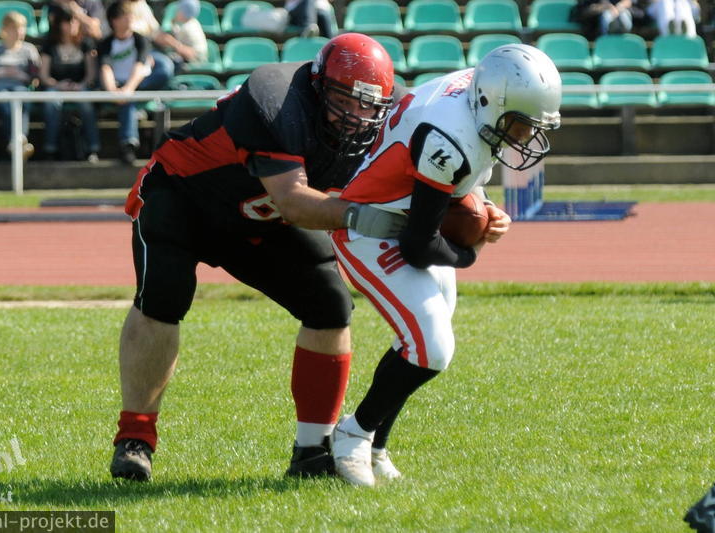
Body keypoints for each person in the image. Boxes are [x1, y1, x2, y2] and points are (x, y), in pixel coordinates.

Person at [109, 33, 407, 482]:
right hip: (185, 196)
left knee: (329, 304)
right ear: (318, 88)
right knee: (162, 301)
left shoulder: (397, 116)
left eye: (367, 106)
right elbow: (295, 202)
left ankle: (312, 451)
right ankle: (135, 439)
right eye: (344, 100)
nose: (354, 116)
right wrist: (376, 219)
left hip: (259, 214)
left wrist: (471, 209)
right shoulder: (276, 99)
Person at [327, 44, 562, 487]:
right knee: (430, 347)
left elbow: (459, 182)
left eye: (535, 125)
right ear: (492, 101)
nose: (527, 135)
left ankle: (375, 445)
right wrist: (471, 252)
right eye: (521, 123)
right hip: (372, 228)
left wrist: (483, 206)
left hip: (408, 214)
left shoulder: (482, 91)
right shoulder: (448, 137)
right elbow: (419, 246)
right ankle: (353, 434)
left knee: (420, 342)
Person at [97, 1, 170, 164]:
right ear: (114, 20)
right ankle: (127, 144)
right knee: (127, 101)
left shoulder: (140, 40)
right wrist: (113, 91)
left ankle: (128, 145)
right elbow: (105, 68)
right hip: (116, 86)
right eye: (125, 15)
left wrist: (128, 90)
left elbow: (140, 66)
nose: (131, 18)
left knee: (129, 99)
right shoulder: (106, 43)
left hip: (137, 84)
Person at [0, 11, 41, 159]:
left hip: (20, 87)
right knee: (6, 103)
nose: (19, 32)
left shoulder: (29, 50)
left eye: (22, 27)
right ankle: (18, 140)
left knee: (21, 100)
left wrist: (21, 75)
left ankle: (15, 141)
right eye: (15, 28)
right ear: (4, 29)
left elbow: (36, 79)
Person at [39, 7, 101, 162]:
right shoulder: (49, 44)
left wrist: (80, 85)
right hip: (56, 87)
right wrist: (58, 85)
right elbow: (44, 76)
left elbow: (91, 74)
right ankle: (50, 148)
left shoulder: (86, 43)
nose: (72, 24)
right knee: (51, 103)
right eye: (67, 21)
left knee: (86, 102)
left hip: (80, 87)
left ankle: (93, 148)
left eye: (75, 21)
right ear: (59, 24)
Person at [124, 0, 178, 80]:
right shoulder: (121, 7)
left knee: (177, 61)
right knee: (163, 67)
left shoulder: (142, 5)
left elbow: (156, 34)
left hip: (148, 49)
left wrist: (179, 47)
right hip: (130, 52)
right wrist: (144, 55)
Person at [167, 0, 208, 73]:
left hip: (194, 60)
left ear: (183, 13)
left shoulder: (186, 27)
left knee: (170, 58)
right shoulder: (195, 22)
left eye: (179, 10)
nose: (176, 12)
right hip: (202, 58)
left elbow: (178, 46)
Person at [571, 0, 643, 38]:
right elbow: (583, 12)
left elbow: (631, 3)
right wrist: (606, 7)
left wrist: (619, 7)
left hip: (622, 14)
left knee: (624, 14)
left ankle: (624, 37)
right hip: (596, 28)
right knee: (607, 15)